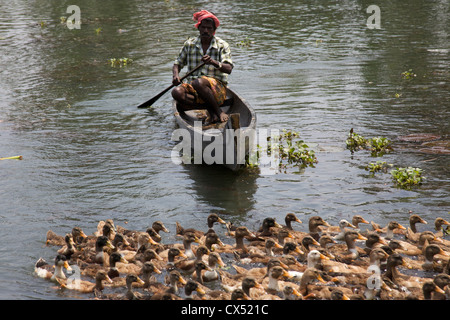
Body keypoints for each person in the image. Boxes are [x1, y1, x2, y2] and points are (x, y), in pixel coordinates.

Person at [171, 10, 234, 124]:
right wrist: (176, 76)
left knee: (198, 83)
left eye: (209, 28)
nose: (206, 30)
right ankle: (210, 108)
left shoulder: (222, 45)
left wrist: (213, 62)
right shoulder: (189, 44)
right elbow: (177, 63)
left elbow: (228, 69)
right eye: (203, 27)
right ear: (198, 28)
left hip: (216, 89)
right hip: (194, 87)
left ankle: (218, 112)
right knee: (176, 92)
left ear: (214, 30)